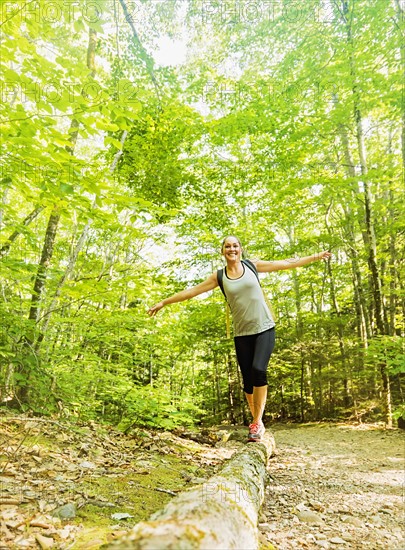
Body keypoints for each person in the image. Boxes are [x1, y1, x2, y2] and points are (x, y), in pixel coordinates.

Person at [148, 236, 332, 442]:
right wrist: (164, 302)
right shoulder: (219, 276)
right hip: (242, 334)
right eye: (228, 246)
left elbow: (285, 263)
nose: (231, 249)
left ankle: (257, 422)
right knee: (247, 382)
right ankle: (255, 419)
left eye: (235, 246)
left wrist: (315, 256)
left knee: (258, 370)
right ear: (222, 251)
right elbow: (192, 291)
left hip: (264, 328)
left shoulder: (252, 266)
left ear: (241, 249)